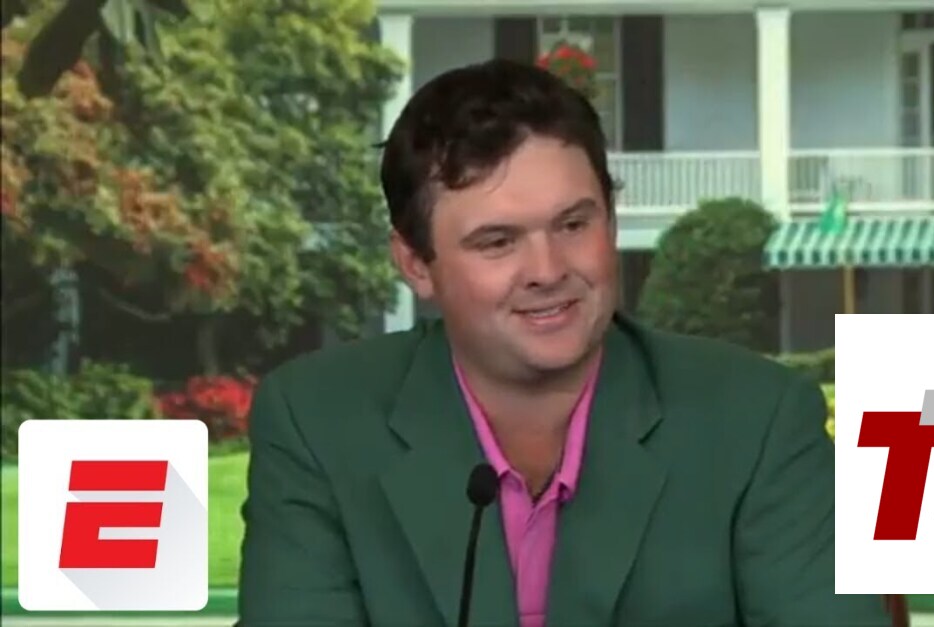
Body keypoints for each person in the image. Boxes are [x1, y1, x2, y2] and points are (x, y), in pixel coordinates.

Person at [236, 58, 893, 627]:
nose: (548, 270)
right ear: (415, 263)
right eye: (498, 241)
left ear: (611, 219)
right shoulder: (315, 420)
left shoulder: (759, 418)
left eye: (573, 224)